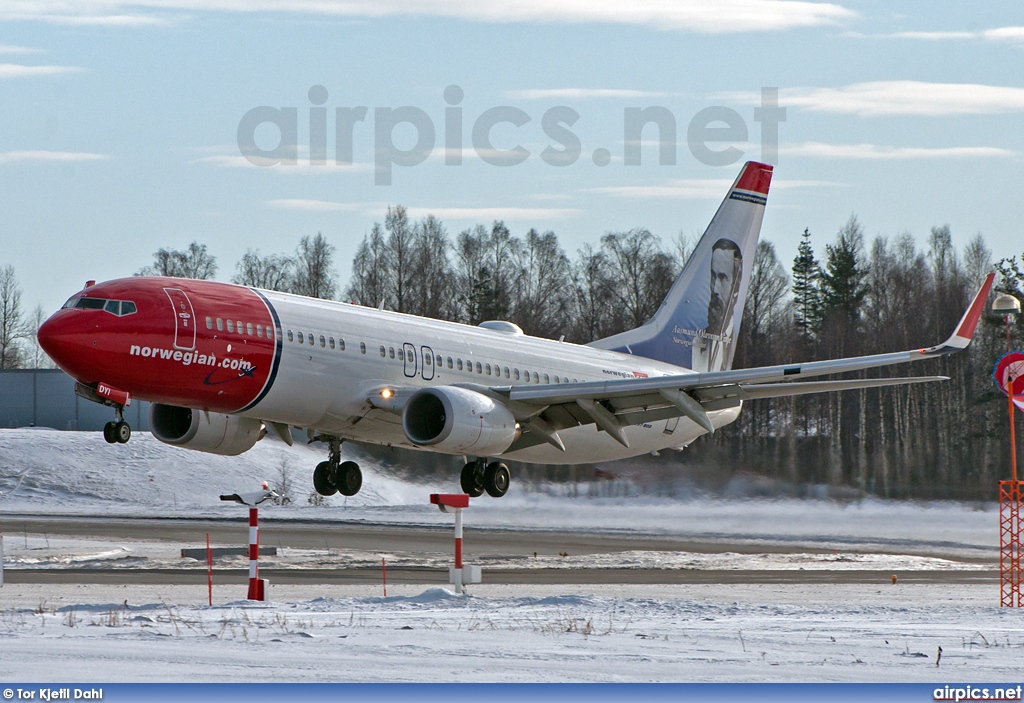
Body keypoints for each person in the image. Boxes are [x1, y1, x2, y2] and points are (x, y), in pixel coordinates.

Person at [692, 239, 743, 373]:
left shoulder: (741, 347)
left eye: (722, 278)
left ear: (736, 288)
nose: (715, 288)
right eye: (713, 277)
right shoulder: (697, 341)